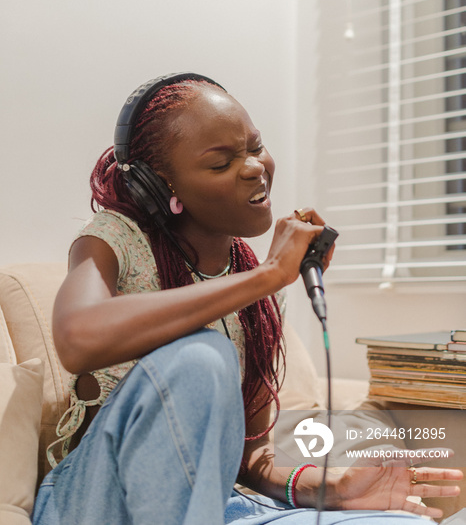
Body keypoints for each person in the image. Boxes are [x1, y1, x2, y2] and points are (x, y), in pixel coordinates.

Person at [32, 73, 462, 525]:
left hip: (219, 505)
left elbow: (252, 458)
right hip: (95, 500)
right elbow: (76, 337)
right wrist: (269, 277)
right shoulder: (114, 239)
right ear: (162, 187)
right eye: (221, 163)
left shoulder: (249, 288)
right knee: (202, 356)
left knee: (399, 523)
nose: (255, 167)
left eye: (255, 148)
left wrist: (334, 489)